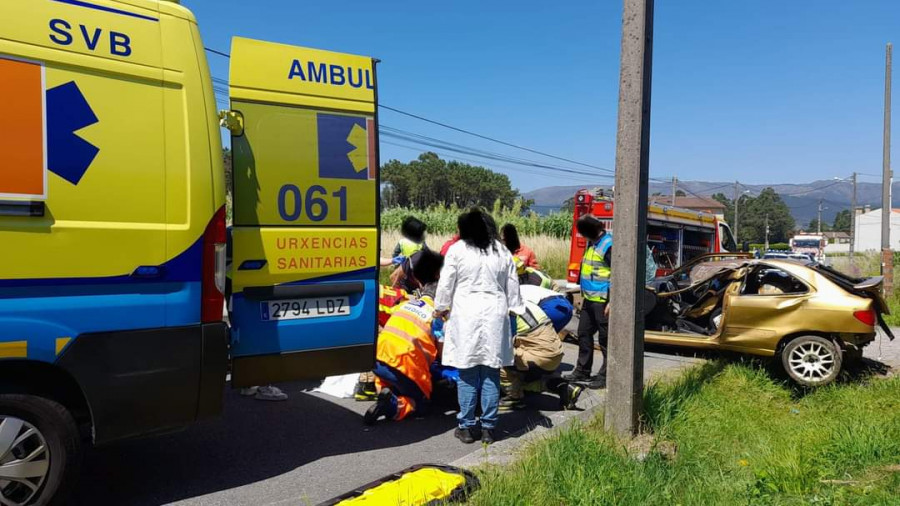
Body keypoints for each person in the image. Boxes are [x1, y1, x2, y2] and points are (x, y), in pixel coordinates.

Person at [434, 208, 524, 445]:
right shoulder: (501, 251)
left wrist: (440, 307)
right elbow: (512, 285)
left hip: (466, 314)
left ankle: (466, 426)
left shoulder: (458, 250)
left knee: (467, 371)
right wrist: (514, 308)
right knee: (491, 372)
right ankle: (488, 428)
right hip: (496, 312)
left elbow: (446, 284)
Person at [365, 250, 455, 425]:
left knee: (389, 382)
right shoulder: (439, 317)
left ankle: (385, 393)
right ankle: (394, 406)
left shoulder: (408, 303)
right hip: (405, 365)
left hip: (377, 359)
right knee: (421, 404)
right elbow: (443, 355)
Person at [499, 299, 583, 412]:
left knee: (499, 360)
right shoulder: (526, 303)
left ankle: (513, 398)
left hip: (539, 357)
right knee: (524, 374)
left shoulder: (509, 311)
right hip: (554, 354)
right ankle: (563, 387)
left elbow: (505, 342)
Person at [564, 215, 612, 390]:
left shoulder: (608, 245)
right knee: (583, 334)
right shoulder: (593, 243)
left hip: (603, 301)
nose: (583, 237)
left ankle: (606, 376)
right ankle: (582, 370)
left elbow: (618, 273)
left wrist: (612, 301)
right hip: (589, 299)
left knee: (606, 339)